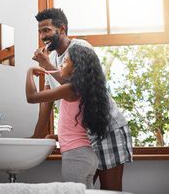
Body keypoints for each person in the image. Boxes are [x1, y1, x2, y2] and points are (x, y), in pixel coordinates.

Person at [31, 8, 133, 191]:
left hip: (106, 129)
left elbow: (78, 88)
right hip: (83, 137)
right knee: (80, 189)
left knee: (110, 190)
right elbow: (46, 102)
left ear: (62, 29)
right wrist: (36, 138)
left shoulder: (80, 48)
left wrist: (46, 65)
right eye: (39, 31)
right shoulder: (53, 57)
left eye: (46, 30)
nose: (42, 36)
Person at [26, 44, 111, 188]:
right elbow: (76, 128)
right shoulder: (83, 90)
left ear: (76, 67)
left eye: (65, 62)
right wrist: (57, 137)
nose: (61, 65)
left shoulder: (70, 89)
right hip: (89, 155)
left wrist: (29, 71)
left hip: (76, 156)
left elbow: (32, 97)